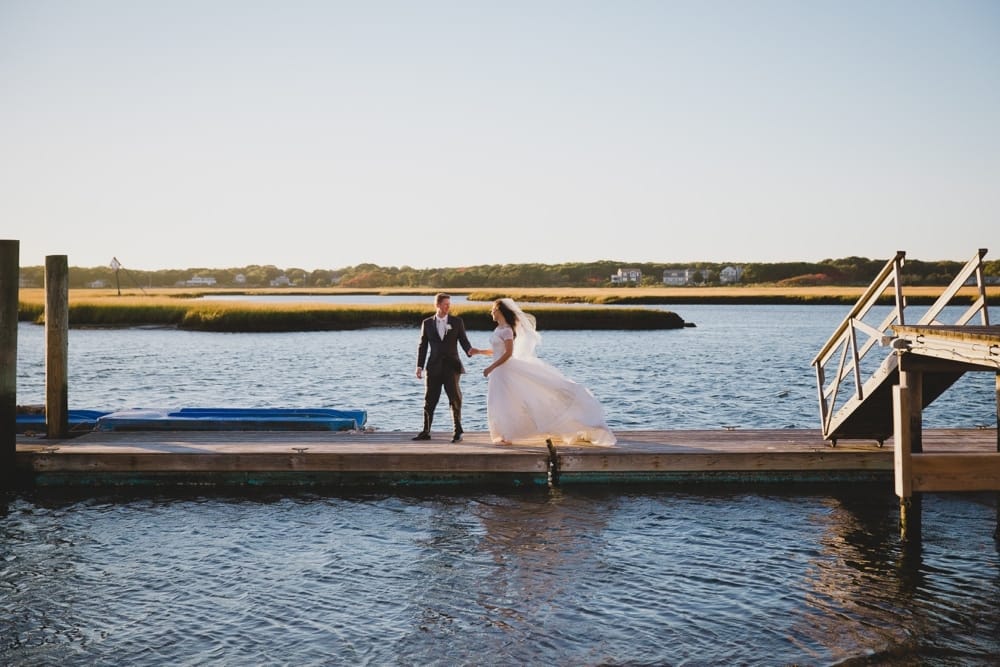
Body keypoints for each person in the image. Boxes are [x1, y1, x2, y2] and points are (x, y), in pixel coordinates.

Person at [476, 298, 616, 446]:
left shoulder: (507, 330)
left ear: (500, 311)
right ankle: (504, 433)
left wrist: (491, 367)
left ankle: (509, 435)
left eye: (493, 309)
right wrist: (479, 351)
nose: (491, 312)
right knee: (500, 402)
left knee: (511, 400)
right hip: (499, 372)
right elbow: (498, 351)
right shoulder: (498, 329)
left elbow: (508, 353)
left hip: (504, 370)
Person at [413, 293, 481, 443]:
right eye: (445, 304)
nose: (448, 307)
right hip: (433, 367)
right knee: (429, 399)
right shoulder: (427, 323)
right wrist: (419, 366)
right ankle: (426, 431)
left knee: (455, 399)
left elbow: (464, 341)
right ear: (437, 305)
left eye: (449, 304)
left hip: (452, 367)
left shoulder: (457, 322)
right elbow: (422, 346)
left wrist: (469, 350)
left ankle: (458, 431)